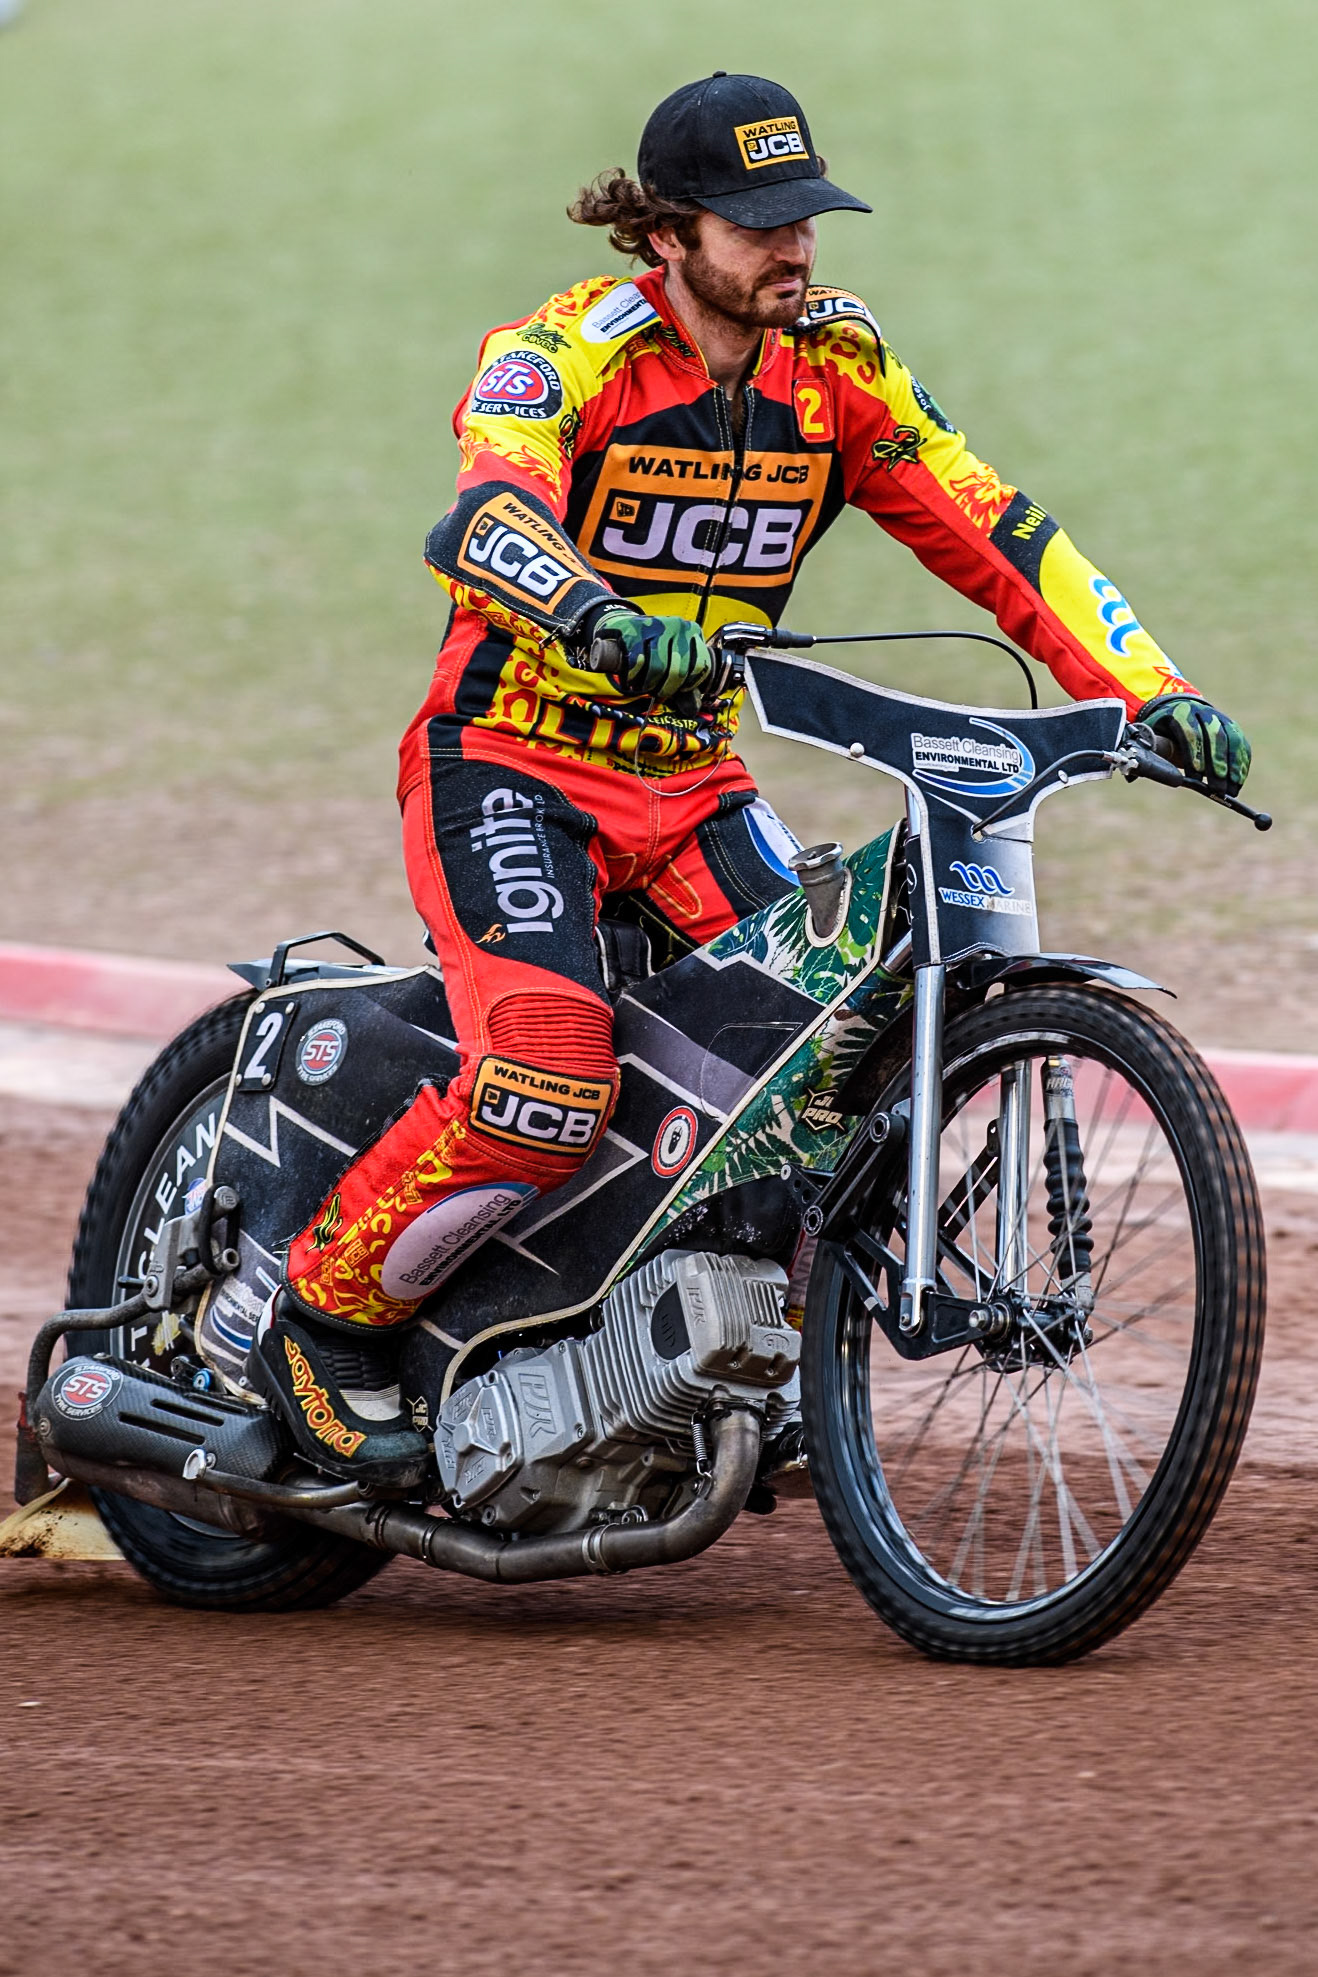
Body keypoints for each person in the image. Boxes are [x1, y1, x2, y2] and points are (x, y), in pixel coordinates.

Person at [247, 72, 1251, 1484]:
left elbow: (1000, 533)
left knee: (831, 1054)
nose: (794, 246)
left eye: (805, 217)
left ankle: (709, 1337)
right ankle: (323, 1321)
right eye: (757, 223)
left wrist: (1153, 687)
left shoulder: (837, 370)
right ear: (667, 234)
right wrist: (591, 613)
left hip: (693, 786)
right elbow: (481, 516)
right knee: (544, 1073)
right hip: (509, 762)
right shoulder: (564, 352)